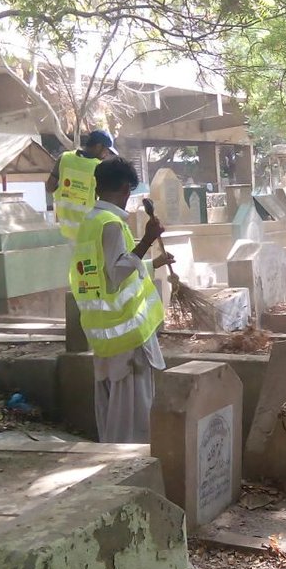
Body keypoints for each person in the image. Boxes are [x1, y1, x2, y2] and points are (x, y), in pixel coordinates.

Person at [69, 157, 173, 444]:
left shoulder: (90, 221)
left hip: (104, 332)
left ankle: (110, 456)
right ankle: (128, 464)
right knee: (134, 413)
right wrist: (147, 240)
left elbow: (107, 275)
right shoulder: (112, 224)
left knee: (111, 407)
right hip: (127, 332)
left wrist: (154, 264)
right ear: (126, 188)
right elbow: (116, 273)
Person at [47, 130, 119, 240]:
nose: (106, 155)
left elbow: (49, 187)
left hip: (62, 233)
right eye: (107, 150)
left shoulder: (64, 158)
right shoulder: (99, 167)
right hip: (87, 233)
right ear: (99, 146)